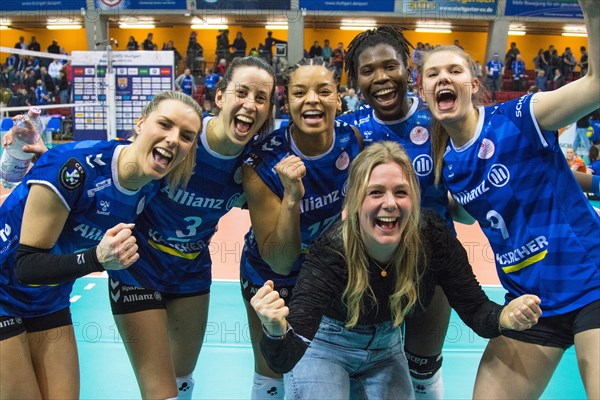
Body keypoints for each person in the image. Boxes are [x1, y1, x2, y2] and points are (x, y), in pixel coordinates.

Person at [251, 141, 542, 400]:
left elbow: (477, 311)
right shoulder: (330, 252)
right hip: (325, 346)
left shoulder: (433, 238)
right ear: (352, 204)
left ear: (414, 201)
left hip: (387, 349)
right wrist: (275, 330)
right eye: (375, 192)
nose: (389, 203)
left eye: (400, 192)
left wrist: (505, 315)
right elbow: (283, 359)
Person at [419, 1, 599, 397]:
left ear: (473, 84)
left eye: (454, 70)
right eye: (432, 74)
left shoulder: (521, 116)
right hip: (531, 304)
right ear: (424, 92)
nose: (442, 78)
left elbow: (596, 86)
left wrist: (593, 11)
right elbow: (467, 213)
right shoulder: (448, 166)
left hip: (591, 282)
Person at [0, 90, 201, 398]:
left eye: (186, 136)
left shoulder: (155, 182)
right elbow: (25, 266)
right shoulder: (75, 166)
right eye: (165, 124)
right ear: (140, 124)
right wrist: (96, 259)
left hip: (49, 297)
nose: (174, 139)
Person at [106, 57, 276, 399]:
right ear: (220, 97)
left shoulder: (255, 163)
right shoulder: (182, 139)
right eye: (241, 92)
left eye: (261, 98)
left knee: (182, 380)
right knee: (161, 390)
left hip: (192, 268)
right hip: (139, 266)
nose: (250, 104)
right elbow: (117, 166)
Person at [339, 25, 468, 399]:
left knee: (424, 370)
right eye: (367, 70)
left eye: (389, 66)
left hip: (434, 262)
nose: (380, 78)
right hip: (369, 268)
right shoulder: (350, 130)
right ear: (357, 79)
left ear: (407, 67)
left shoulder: (439, 120)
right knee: (364, 369)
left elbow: (464, 208)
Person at [240, 57, 362, 400]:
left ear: (339, 99)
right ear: (288, 101)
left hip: (326, 271)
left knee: (326, 369)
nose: (312, 99)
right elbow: (280, 260)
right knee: (273, 372)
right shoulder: (262, 160)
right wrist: (292, 197)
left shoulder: (353, 141)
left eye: (324, 91)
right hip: (269, 273)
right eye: (300, 92)